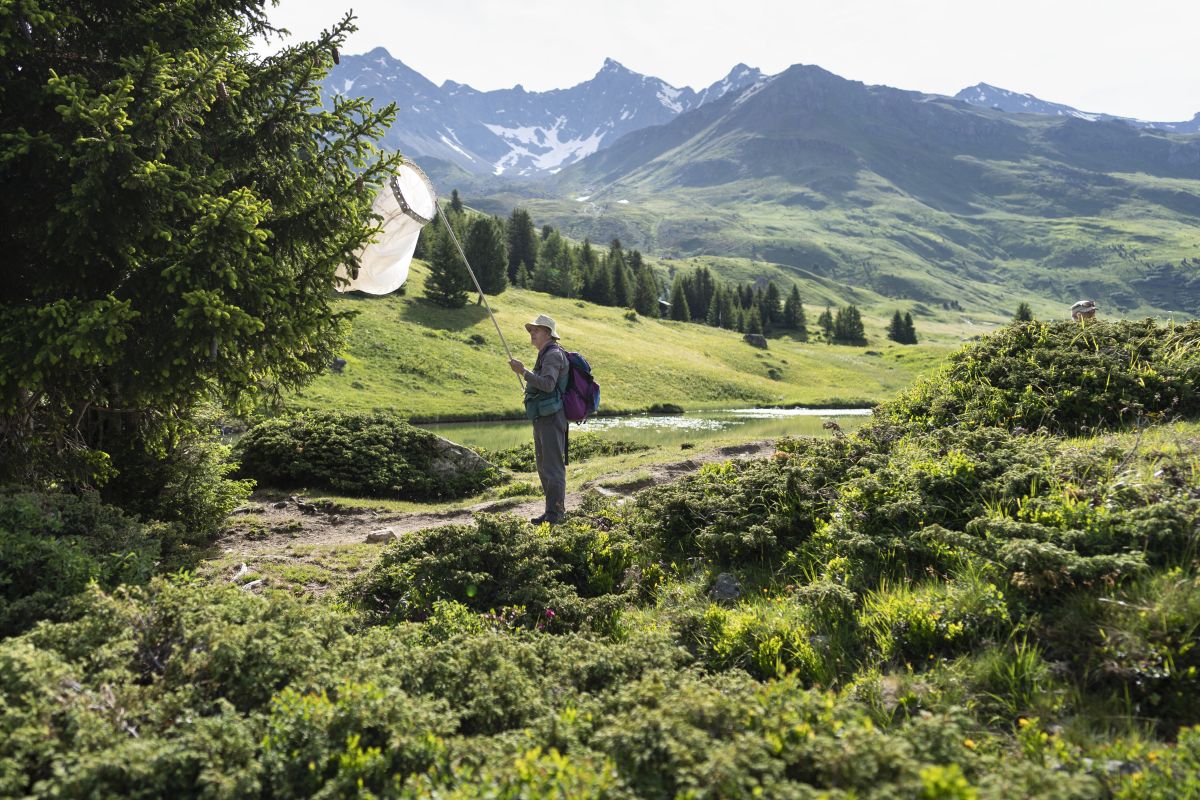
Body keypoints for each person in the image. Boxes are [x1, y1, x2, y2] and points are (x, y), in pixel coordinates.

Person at [509, 314, 569, 524]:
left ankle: (556, 515)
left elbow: (548, 385)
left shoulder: (552, 355)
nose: (532, 334)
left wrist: (523, 371)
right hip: (544, 417)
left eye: (536, 330)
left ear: (548, 333)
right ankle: (551, 511)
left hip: (552, 417)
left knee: (552, 467)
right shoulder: (546, 353)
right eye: (531, 330)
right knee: (544, 466)